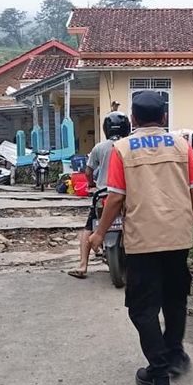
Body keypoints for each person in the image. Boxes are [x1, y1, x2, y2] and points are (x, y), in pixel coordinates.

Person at [90, 91, 193, 385]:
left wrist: (98, 234)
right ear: (164, 118)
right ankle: (174, 355)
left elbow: (116, 198)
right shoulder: (182, 146)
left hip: (143, 241)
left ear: (133, 119)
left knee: (142, 308)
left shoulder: (122, 149)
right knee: (175, 300)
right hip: (178, 237)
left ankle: (158, 373)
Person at [68, 112, 131, 279]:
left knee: (89, 227)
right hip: (128, 194)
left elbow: (88, 171)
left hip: (104, 193)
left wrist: (91, 184)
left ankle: (82, 266)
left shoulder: (99, 148)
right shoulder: (130, 145)